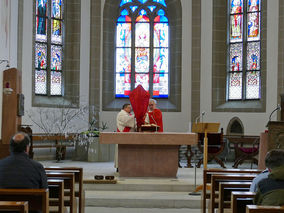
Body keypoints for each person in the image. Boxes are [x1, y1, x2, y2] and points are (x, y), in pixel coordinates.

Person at [115, 104, 136, 170]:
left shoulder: (128, 115)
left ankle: (128, 166)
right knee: (122, 151)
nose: (130, 109)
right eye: (129, 108)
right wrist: (136, 115)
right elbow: (126, 121)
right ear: (124, 108)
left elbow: (133, 123)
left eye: (130, 108)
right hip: (122, 135)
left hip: (128, 136)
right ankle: (120, 167)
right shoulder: (121, 114)